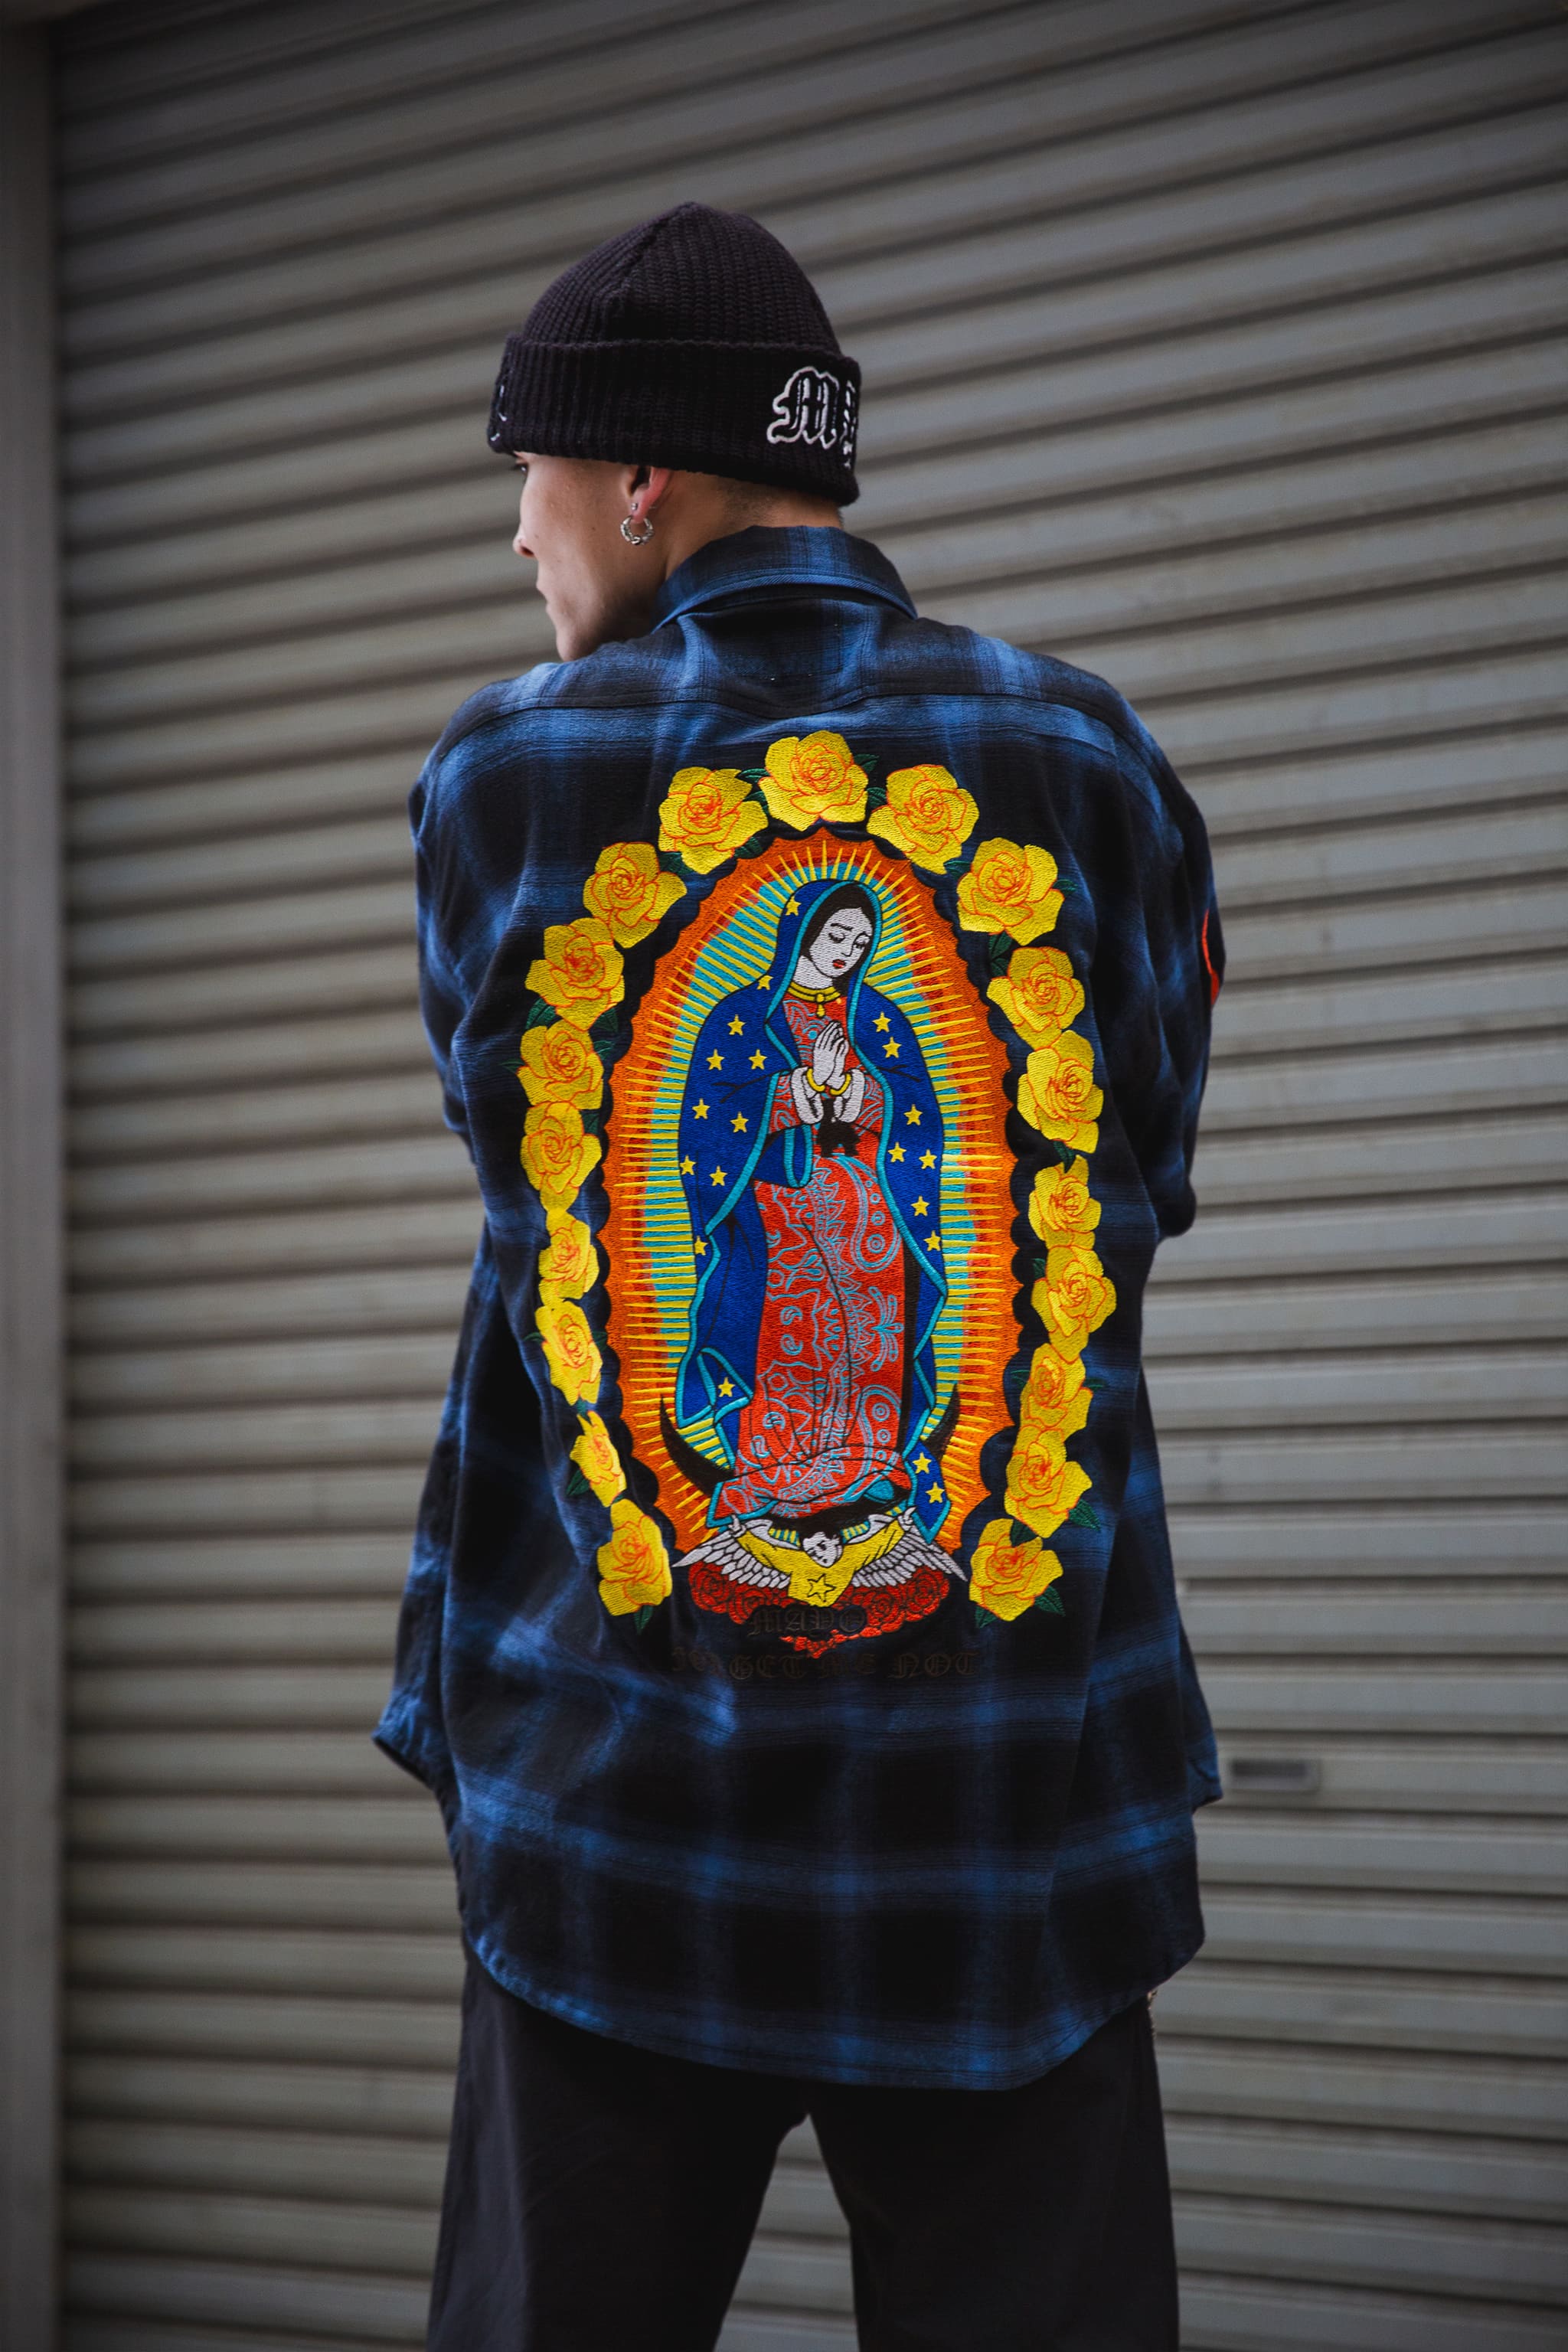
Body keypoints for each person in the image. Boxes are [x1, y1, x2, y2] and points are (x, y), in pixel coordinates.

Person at [375, 201, 1224, 2352]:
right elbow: (1132, 1179)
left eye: (531, 475)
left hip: (616, 1801)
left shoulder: (504, 778)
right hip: (1008, 1811)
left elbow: (552, 1200)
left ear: (641, 476)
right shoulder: (1090, 762)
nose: (520, 535)